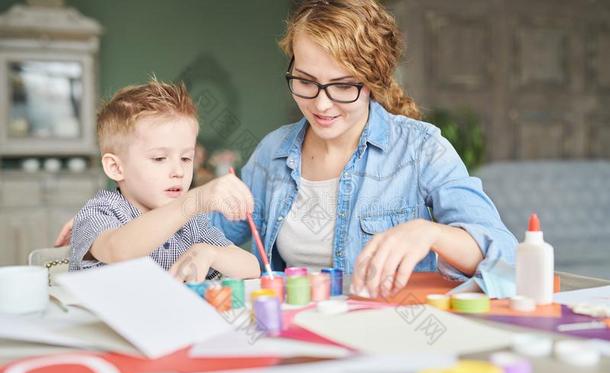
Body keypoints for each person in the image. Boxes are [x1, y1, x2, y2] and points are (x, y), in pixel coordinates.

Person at [58, 0, 517, 298]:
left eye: (342, 86)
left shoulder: (420, 149)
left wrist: (430, 233)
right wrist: (121, 212)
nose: (320, 103)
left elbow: (507, 258)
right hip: (293, 330)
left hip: (392, 331)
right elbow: (199, 226)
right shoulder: (276, 151)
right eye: (305, 81)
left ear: (373, 80)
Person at [68, 79, 258, 282]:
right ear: (116, 167)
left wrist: (209, 253)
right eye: (159, 158)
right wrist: (193, 201)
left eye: (186, 158)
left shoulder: (191, 223)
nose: (178, 171)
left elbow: (252, 268)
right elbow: (118, 250)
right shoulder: (99, 212)